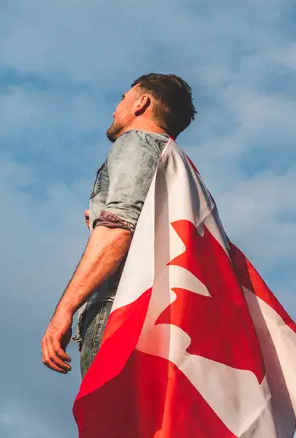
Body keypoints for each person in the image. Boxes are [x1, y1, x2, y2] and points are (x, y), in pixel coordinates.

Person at [41, 73, 197, 376]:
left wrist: (64, 311)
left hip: (120, 312)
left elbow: (118, 229)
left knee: (113, 421)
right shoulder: (180, 167)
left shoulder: (136, 142)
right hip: (165, 319)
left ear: (142, 102)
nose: (115, 109)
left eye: (122, 98)